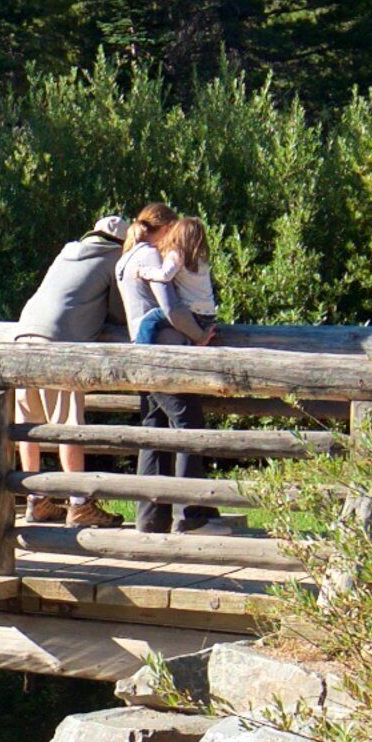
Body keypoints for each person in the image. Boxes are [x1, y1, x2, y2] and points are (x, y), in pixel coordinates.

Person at [8, 211, 130, 527]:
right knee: (68, 423)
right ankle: (79, 504)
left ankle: (36, 500)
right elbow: (119, 313)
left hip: (24, 332)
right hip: (59, 342)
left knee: (28, 420)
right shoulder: (116, 258)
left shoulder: (67, 251)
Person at [117, 209, 221, 533]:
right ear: (162, 228)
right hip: (164, 352)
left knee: (153, 429)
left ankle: (150, 518)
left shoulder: (126, 259)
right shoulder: (150, 256)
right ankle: (190, 515)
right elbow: (172, 309)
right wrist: (199, 335)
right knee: (188, 424)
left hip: (142, 348)